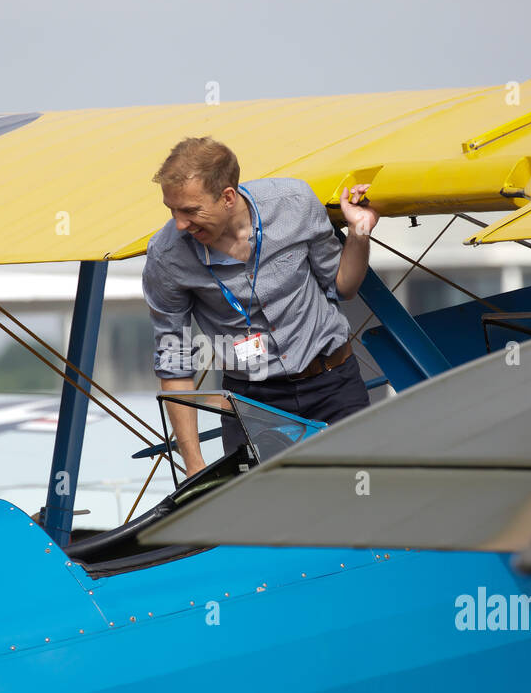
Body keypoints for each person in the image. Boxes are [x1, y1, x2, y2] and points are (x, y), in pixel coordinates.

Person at [142, 136, 379, 475]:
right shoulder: (167, 256)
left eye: (190, 211)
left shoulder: (295, 203)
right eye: (172, 210)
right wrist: (193, 463)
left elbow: (343, 287)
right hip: (253, 402)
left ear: (227, 197)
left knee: (361, 500)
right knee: (264, 518)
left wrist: (358, 233)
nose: (180, 223)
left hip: (334, 383)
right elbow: (174, 362)